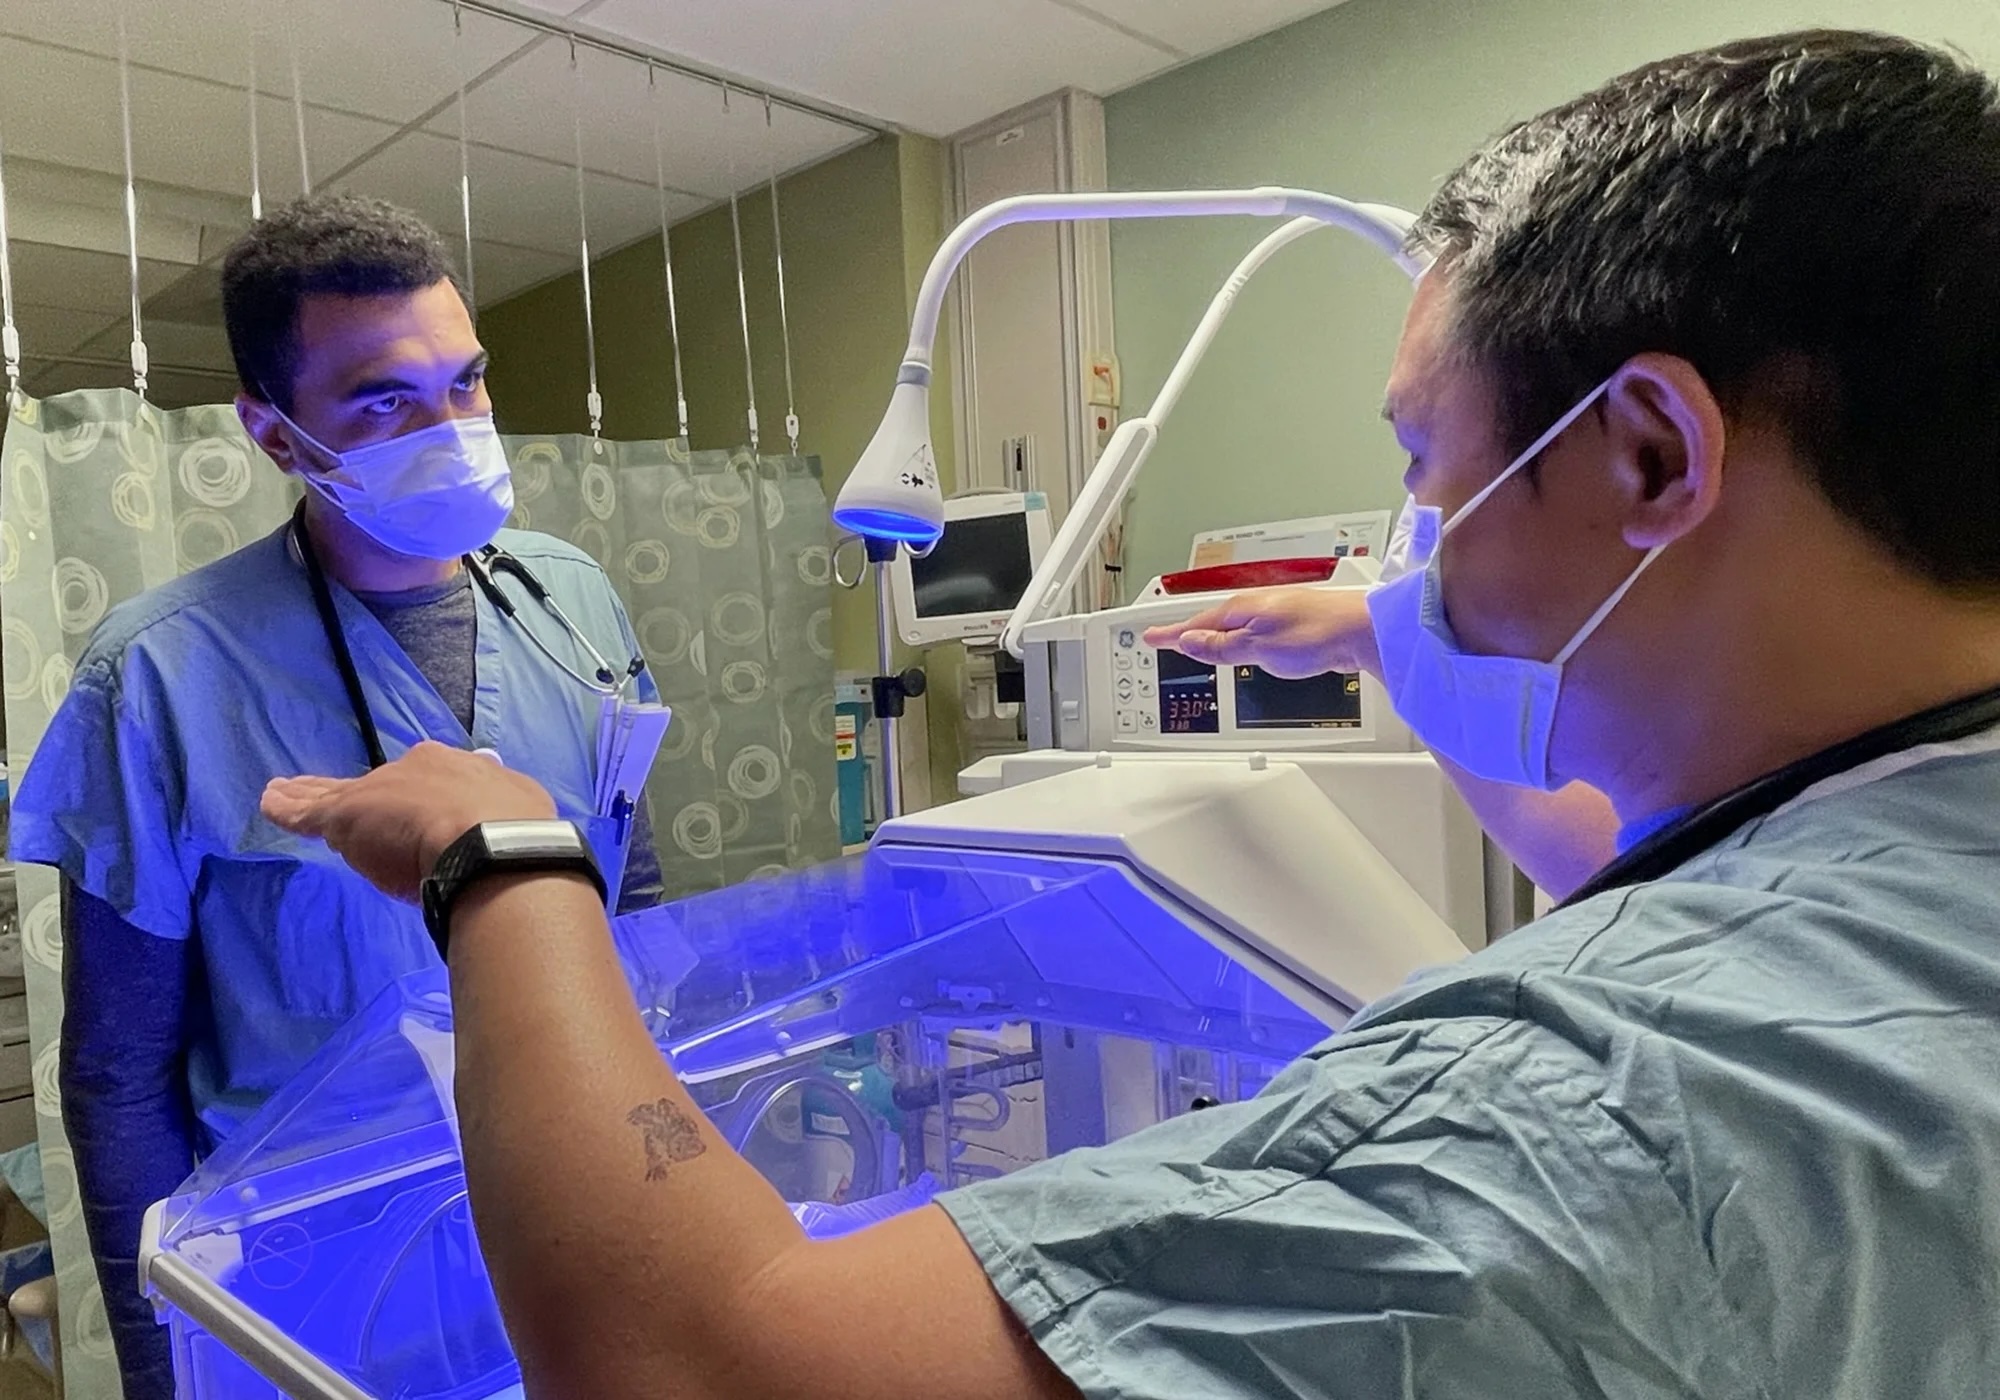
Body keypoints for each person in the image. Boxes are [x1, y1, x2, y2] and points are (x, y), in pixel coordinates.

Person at [265, 30, 2000, 1399]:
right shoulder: (1906, 855)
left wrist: (500, 866)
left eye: (1423, 470)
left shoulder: (1573, 1109)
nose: (1420, 552)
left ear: (1648, 455)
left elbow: (701, 1361)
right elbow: (1622, 857)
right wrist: (1403, 641)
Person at [7, 194, 665, 1397]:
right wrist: (175, 1365)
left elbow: (640, 907)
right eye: (384, 401)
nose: (454, 425)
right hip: (317, 1275)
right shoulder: (158, 675)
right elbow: (116, 1075)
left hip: (581, 1218)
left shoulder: (572, 603)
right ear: (274, 434)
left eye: (465, 382)